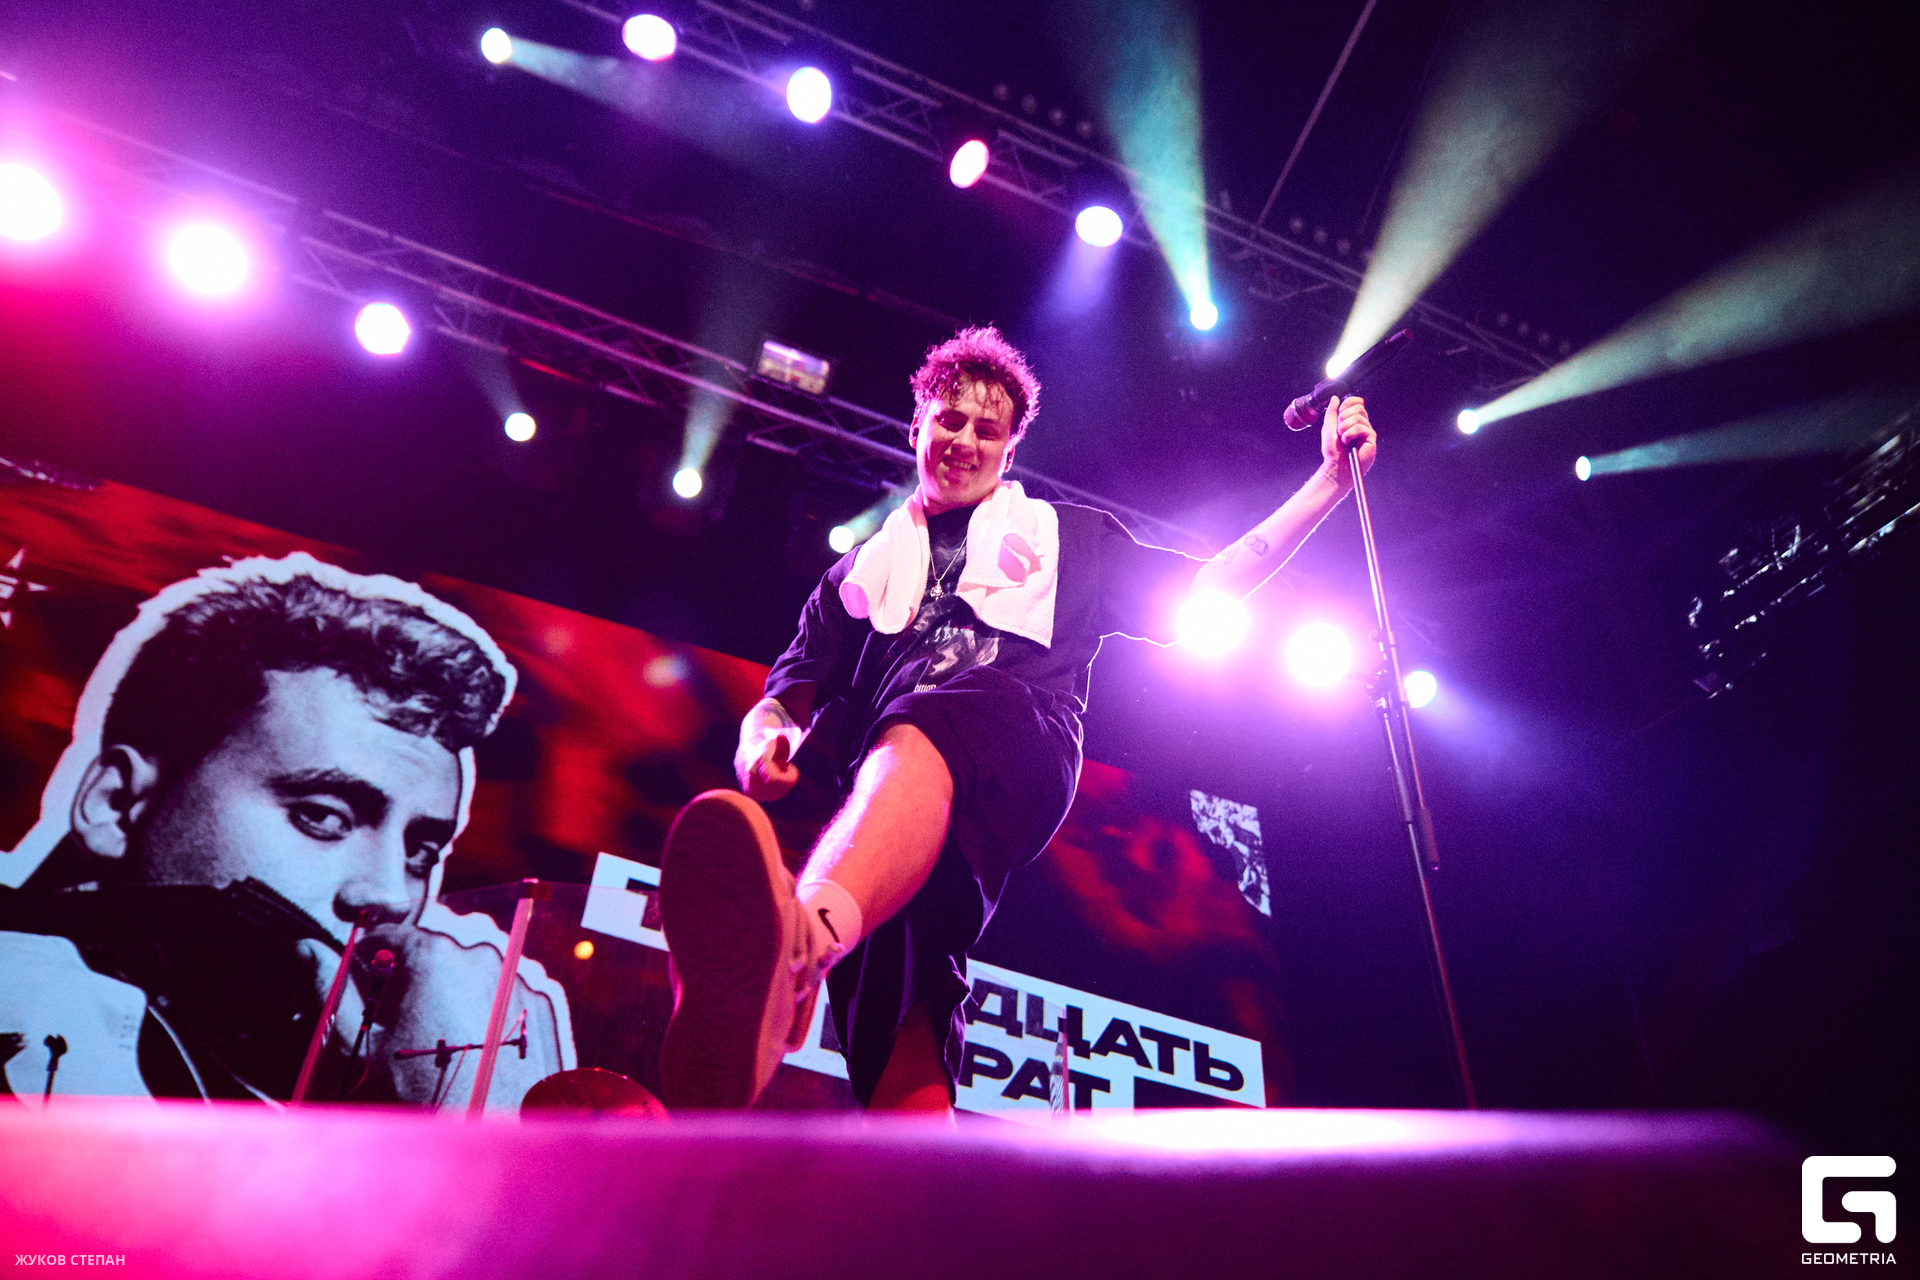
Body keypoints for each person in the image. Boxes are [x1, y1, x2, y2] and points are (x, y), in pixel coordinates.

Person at [658, 326, 1376, 1112]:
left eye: (987, 429)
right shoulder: (851, 581)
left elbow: (1211, 584)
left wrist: (1328, 485)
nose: (965, 441)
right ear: (917, 427)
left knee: (932, 717)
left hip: (1016, 738)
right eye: (950, 421)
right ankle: (812, 1031)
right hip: (890, 812)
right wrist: (762, 742)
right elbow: (784, 696)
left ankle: (796, 947)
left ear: (1010, 449)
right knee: (899, 1025)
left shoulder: (1071, 537)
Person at [0, 553, 571, 1105]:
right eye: (321, 816)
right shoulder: (44, 1028)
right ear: (117, 804)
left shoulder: (289, 1069)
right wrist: (471, 1121)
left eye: (419, 852)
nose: (391, 894)